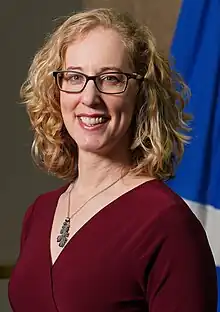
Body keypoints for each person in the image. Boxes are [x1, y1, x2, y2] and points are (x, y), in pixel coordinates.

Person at [8, 7, 217, 312]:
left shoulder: (167, 223)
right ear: (57, 91)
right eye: (74, 77)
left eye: (111, 79)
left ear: (142, 95)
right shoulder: (39, 212)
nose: (89, 97)